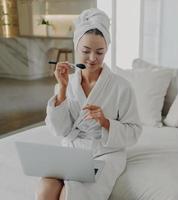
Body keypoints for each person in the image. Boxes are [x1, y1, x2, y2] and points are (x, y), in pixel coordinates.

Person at [36, 8, 142, 200]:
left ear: (106, 50)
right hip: (73, 149)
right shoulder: (67, 83)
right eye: (86, 51)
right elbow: (60, 131)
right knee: (47, 187)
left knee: (72, 193)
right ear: (76, 47)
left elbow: (134, 132)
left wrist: (105, 122)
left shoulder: (122, 87)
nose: (93, 58)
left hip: (105, 154)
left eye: (100, 52)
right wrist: (62, 89)